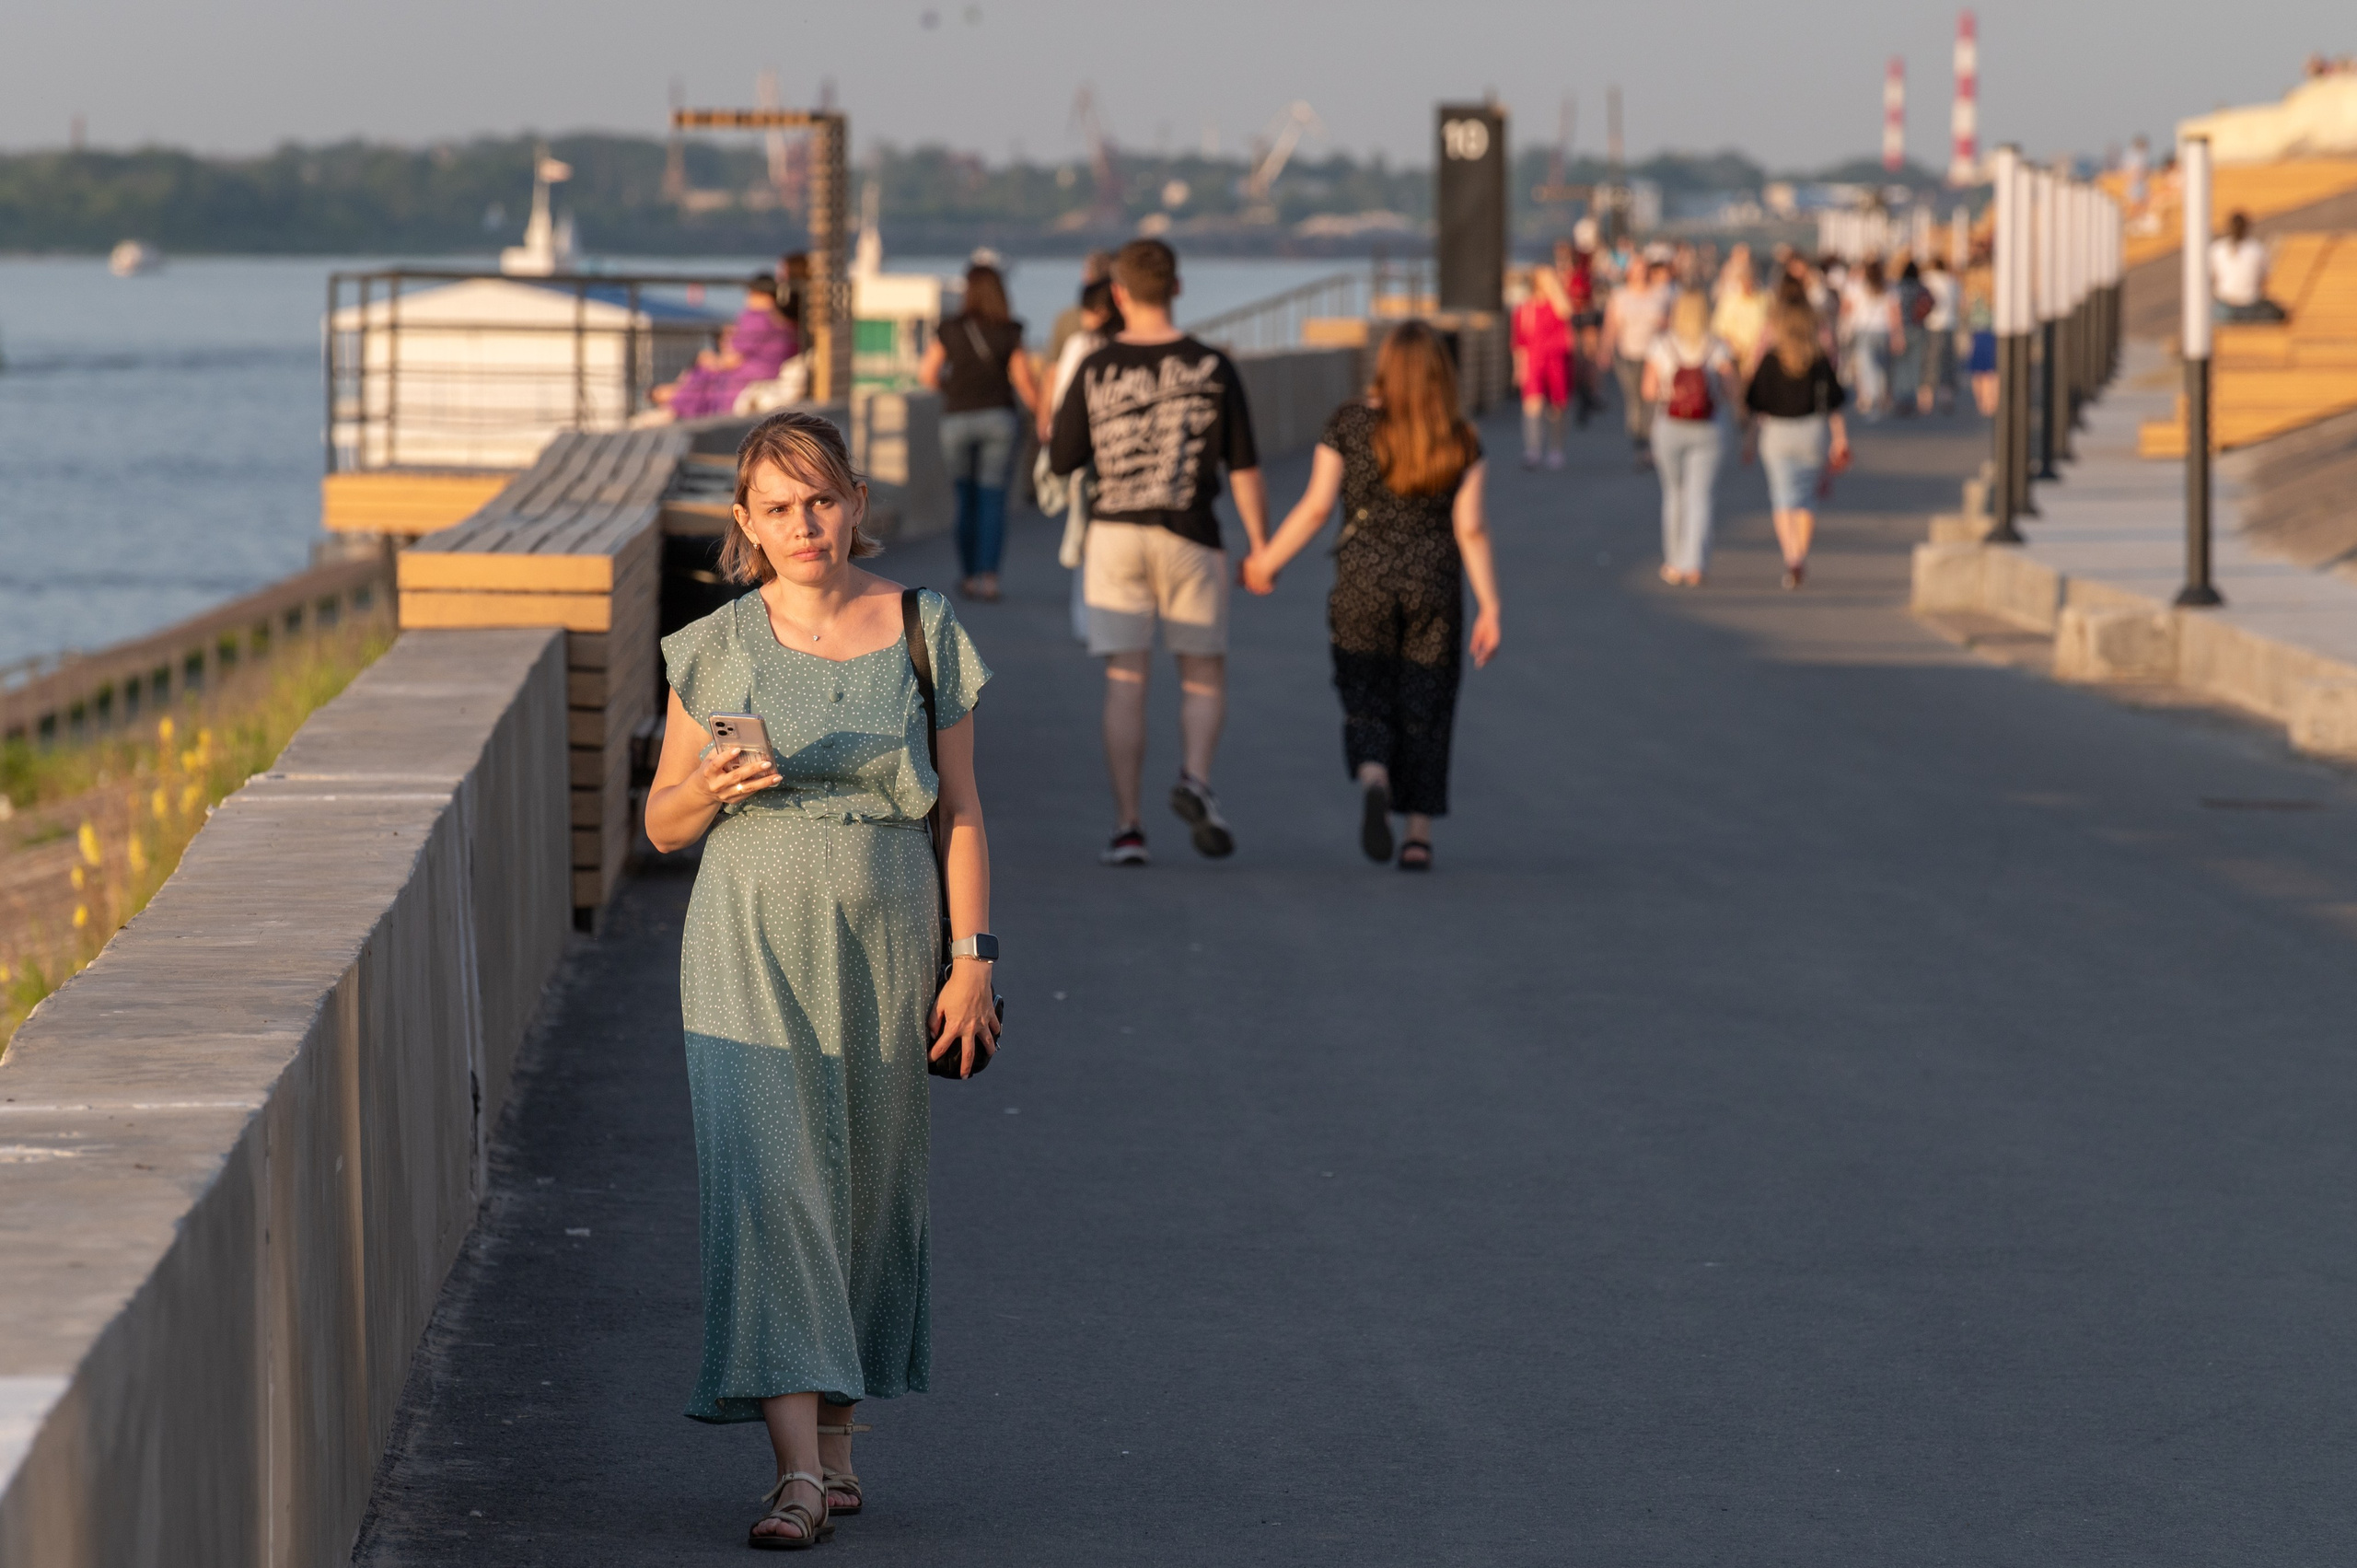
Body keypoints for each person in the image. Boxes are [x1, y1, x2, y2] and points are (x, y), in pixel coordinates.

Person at [644, 409, 999, 1550]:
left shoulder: (921, 627)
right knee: (771, 1181)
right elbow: (659, 822)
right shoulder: (715, 643)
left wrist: (972, 960)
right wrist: (712, 785)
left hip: (890, 934)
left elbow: (962, 810)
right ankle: (795, 1472)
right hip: (744, 936)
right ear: (744, 522)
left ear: (855, 500)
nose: (806, 523)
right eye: (780, 505)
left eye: (823, 498)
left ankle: (838, 1442)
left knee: (866, 1177)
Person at [1240, 321, 1502, 871]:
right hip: (1433, 582)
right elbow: (1471, 528)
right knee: (1426, 700)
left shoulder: (1349, 422)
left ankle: (1374, 773)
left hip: (1362, 580)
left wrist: (1266, 561)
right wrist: (1490, 605)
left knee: (1365, 688)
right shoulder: (1460, 436)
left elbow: (1315, 508)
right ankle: (1418, 837)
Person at [1048, 238, 1268, 866]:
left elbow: (1063, 457)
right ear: (1177, 287)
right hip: (1192, 534)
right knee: (1202, 671)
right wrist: (1260, 546)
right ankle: (1195, 779)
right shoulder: (1213, 365)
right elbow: (1246, 467)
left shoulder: (1095, 365)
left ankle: (1128, 827)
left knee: (1125, 676)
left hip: (1114, 534)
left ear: (1118, 293)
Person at [920, 263, 1041, 602]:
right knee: (993, 500)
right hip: (999, 419)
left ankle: (969, 575)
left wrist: (953, 386)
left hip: (957, 419)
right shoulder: (1010, 330)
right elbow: (1024, 382)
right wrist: (1043, 416)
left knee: (965, 498)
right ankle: (988, 579)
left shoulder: (950, 329)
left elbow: (927, 375)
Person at [1743, 299, 1851, 590]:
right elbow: (1834, 404)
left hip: (1776, 433)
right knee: (1805, 498)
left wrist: (1750, 440)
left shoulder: (1770, 360)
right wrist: (1840, 439)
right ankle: (1800, 555)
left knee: (1782, 497)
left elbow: (1756, 404)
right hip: (1811, 431)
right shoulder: (1819, 360)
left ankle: (1791, 555)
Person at [1040, 278, 1123, 642]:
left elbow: (1064, 401)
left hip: (1088, 455)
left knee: (1087, 534)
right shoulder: (1131, 343)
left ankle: (1090, 621)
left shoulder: (1081, 345)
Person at [1640, 291, 1739, 587]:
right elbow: (1732, 389)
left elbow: (1648, 390)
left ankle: (1673, 562)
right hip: (1709, 426)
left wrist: (1672, 395)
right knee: (1700, 496)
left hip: (1669, 425)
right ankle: (1695, 564)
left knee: (1674, 494)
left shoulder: (1662, 345)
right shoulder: (1717, 346)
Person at [655, 277, 798, 419]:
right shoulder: (785, 324)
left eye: (750, 293)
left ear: (759, 294)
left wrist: (710, 360)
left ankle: (674, 406)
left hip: (743, 383)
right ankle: (673, 400)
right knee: (705, 373)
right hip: (768, 375)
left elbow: (731, 360)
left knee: (704, 372)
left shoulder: (756, 319)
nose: (747, 299)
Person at [1603, 258, 1673, 467]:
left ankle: (1652, 445)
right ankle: (1639, 444)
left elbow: (1670, 325)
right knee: (1635, 401)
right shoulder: (1620, 295)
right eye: (1636, 270)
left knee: (1654, 400)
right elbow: (1611, 326)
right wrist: (1605, 350)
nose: (1640, 274)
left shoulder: (1662, 294)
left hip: (1654, 356)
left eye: (1643, 270)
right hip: (1628, 355)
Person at [1511, 262, 1574, 468]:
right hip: (1533, 361)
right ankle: (1533, 449)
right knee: (1532, 406)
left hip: (1557, 361)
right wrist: (1519, 368)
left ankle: (1556, 449)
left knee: (1557, 408)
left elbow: (1567, 313)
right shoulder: (1524, 308)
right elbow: (1519, 341)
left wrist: (1554, 287)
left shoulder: (1557, 304)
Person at [1840, 258, 1900, 420]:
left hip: (1862, 330)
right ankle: (1881, 397)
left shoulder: (1855, 286)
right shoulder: (1889, 286)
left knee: (1865, 366)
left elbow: (1845, 309)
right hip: (1883, 330)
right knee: (1881, 366)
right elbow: (1894, 313)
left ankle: (1871, 397)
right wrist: (1897, 334)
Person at [2211, 212, 2286, 322]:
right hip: (2251, 305)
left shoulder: (2217, 249)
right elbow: (2264, 279)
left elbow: (2213, 278)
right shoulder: (2257, 249)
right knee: (2277, 312)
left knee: (2202, 315)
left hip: (2225, 307)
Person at [1710, 244, 1772, 375]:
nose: (1747, 284)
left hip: (1760, 357)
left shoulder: (1765, 298)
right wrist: (1734, 348)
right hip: (1734, 357)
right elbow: (1719, 329)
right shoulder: (1729, 299)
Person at [1920, 251, 1961, 414]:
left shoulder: (1925, 279)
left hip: (1930, 325)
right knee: (1947, 362)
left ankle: (1926, 399)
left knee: (1929, 363)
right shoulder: (1952, 281)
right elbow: (1959, 303)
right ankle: (1946, 396)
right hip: (1949, 325)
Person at [1890, 260, 1933, 415]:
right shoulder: (1921, 288)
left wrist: (1896, 332)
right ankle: (1912, 400)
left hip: (1902, 329)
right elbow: (1932, 303)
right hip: (1918, 329)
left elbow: (1894, 310)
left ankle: (1901, 400)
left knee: (1901, 366)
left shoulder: (1898, 288)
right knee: (1915, 365)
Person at [1964, 248, 1999, 416]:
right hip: (1994, 330)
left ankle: (1982, 402)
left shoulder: (1972, 290)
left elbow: (1965, 309)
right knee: (1992, 368)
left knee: (1978, 369)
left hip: (1977, 331)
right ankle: (1992, 401)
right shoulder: (1995, 289)